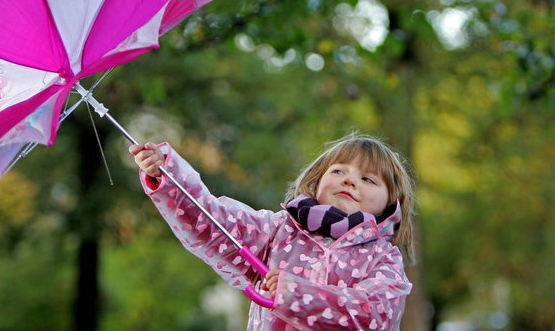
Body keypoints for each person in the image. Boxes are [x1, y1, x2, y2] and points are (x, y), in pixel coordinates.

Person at [129, 132, 416, 330]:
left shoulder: (382, 258)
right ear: (317, 182)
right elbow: (214, 224)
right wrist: (168, 174)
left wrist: (294, 294)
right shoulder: (280, 230)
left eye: (367, 179)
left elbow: (374, 315)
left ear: (391, 204)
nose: (350, 181)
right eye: (339, 171)